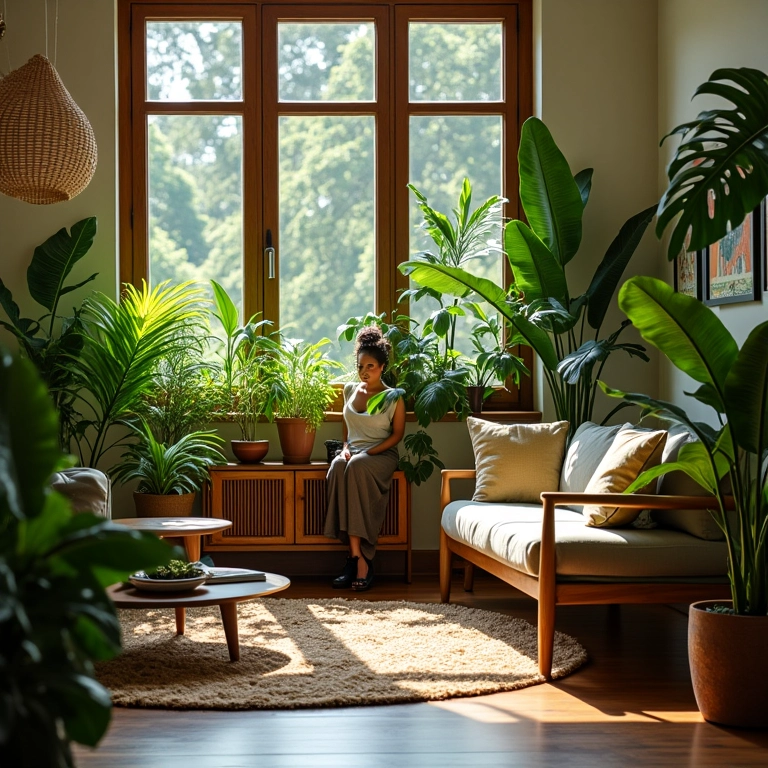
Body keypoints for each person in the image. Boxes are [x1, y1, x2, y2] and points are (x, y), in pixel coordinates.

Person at [324, 326, 405, 591]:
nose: (364, 371)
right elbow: (346, 426)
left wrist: (368, 452)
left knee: (356, 465)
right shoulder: (350, 390)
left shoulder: (394, 397)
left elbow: (397, 435)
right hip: (355, 451)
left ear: (382, 367)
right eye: (360, 366)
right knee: (337, 466)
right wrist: (345, 447)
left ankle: (360, 562)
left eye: (370, 366)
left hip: (381, 453)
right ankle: (356, 556)